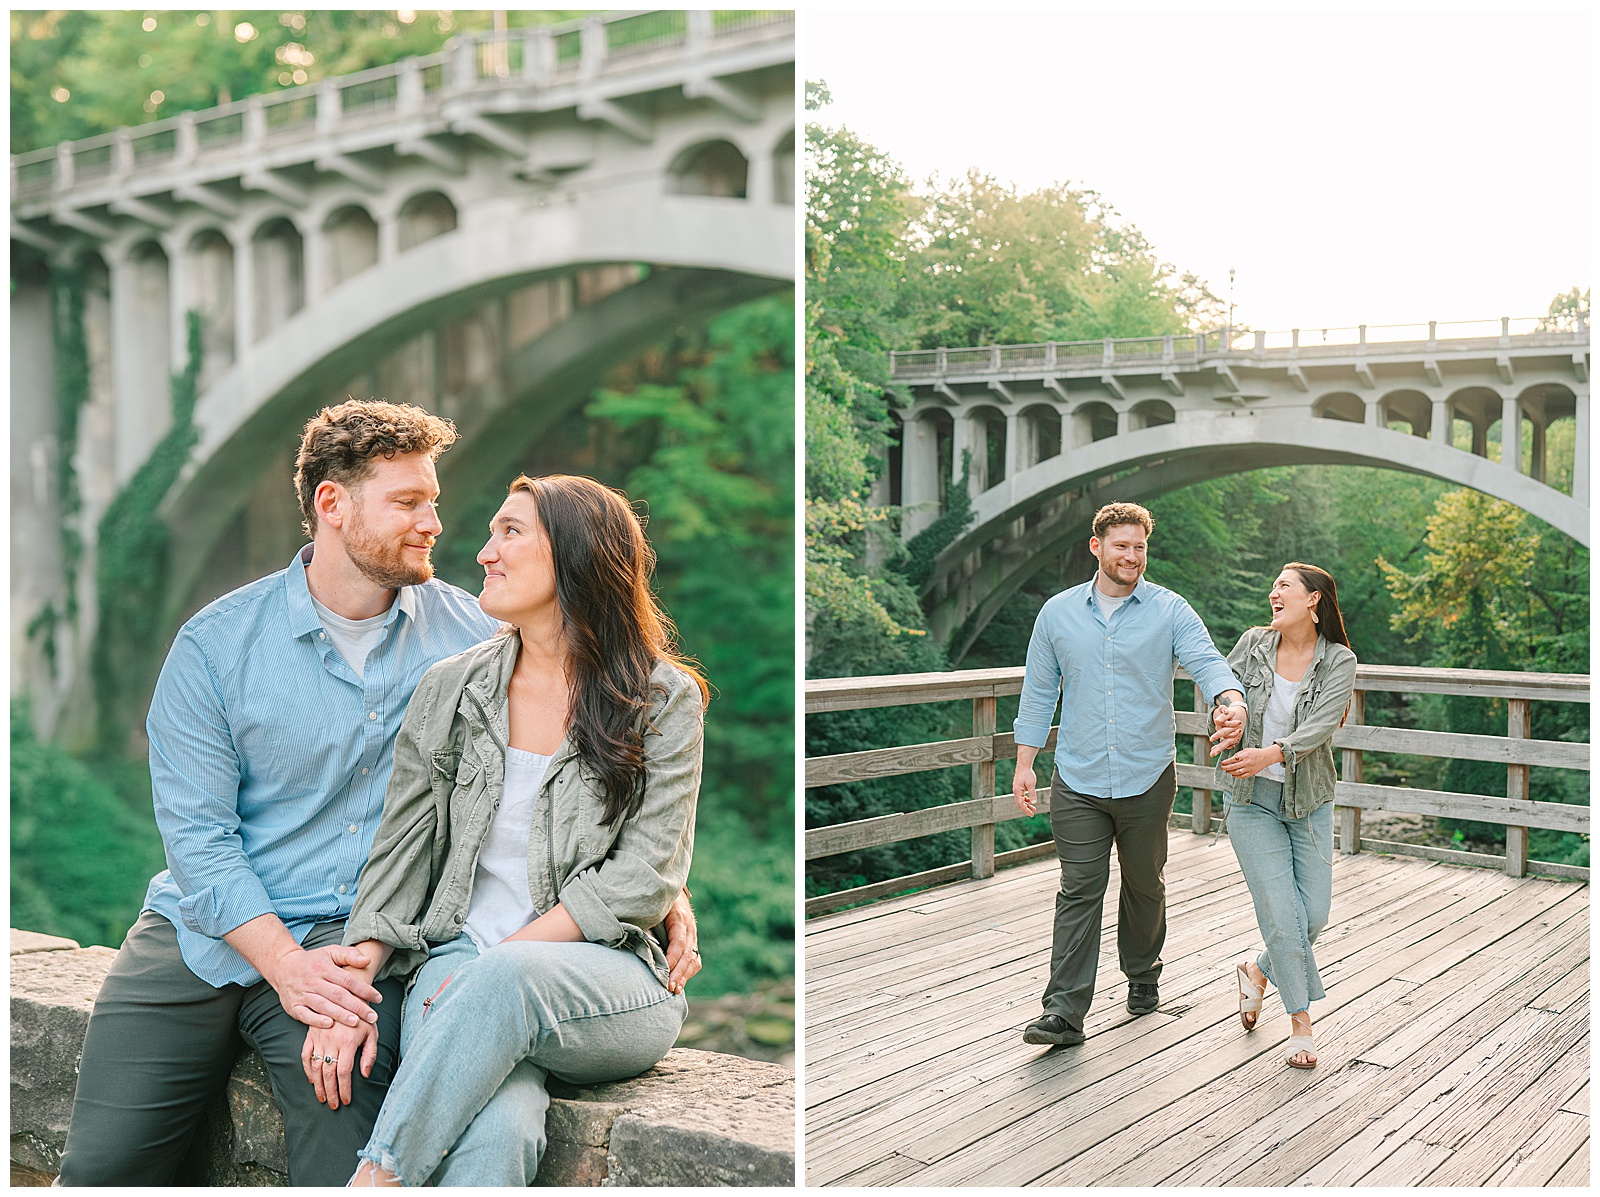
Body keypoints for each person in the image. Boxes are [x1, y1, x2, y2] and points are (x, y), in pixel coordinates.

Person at [56, 402, 700, 1186]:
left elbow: (588, 755)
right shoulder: (217, 646)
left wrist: (664, 887)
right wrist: (290, 967)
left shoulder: (474, 640)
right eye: (407, 502)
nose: (436, 523)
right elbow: (198, 840)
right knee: (104, 1168)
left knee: (337, 1142)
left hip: (361, 939)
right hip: (207, 931)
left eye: (433, 499)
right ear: (333, 504)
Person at [305, 473, 704, 1187]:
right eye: (490, 533)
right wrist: (353, 986)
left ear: (577, 556)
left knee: (508, 978)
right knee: (501, 1123)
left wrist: (498, 963)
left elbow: (644, 878)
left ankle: (377, 1178)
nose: (485, 552)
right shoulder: (452, 687)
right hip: (456, 962)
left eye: (511, 532)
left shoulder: (662, 698)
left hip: (609, 979)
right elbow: (400, 853)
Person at [1011, 501, 1246, 1047]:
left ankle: (1143, 972)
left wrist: (1228, 698)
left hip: (1147, 774)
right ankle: (1064, 1013)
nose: (1132, 556)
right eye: (1122, 546)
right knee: (1078, 888)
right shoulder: (1057, 614)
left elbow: (1208, 661)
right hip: (1078, 777)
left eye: (1139, 547)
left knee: (1145, 882)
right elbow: (1040, 691)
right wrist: (1025, 762)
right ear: (1097, 548)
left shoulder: (1169, 609)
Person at [1216, 563, 1357, 1069]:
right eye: (1273, 585)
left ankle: (1258, 970)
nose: (1273, 593)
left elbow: (1319, 727)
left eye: (1285, 587)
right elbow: (1221, 689)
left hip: (1309, 800)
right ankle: (1301, 1025)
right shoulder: (1254, 643)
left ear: (1313, 600)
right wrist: (1225, 714)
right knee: (1282, 912)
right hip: (1250, 800)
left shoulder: (1339, 660)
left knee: (1312, 916)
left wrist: (1270, 753)